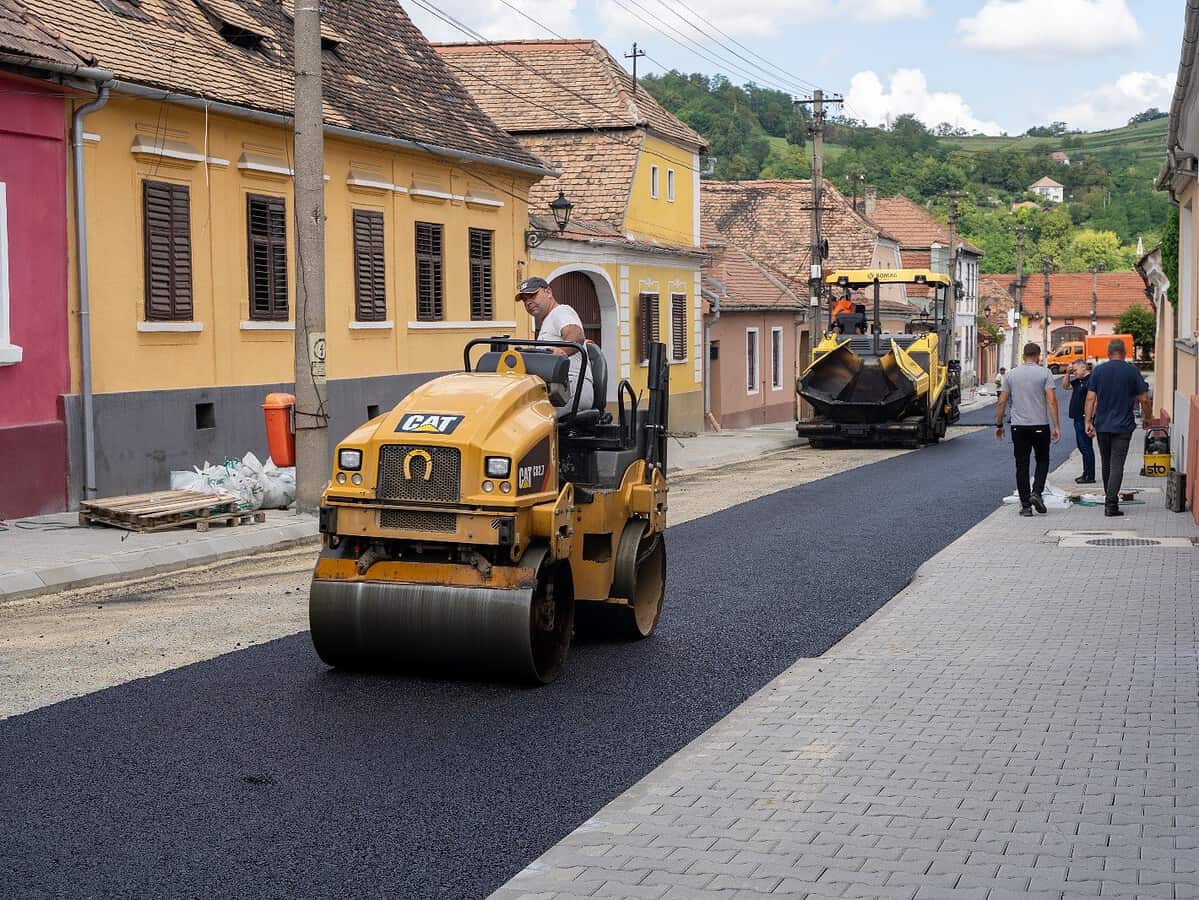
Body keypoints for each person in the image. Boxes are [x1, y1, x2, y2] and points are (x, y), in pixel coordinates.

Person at [1085, 338, 1152, 517]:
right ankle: (1111, 503)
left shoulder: (1098, 371)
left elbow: (1091, 398)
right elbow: (1144, 398)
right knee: (1117, 465)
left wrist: (1088, 422)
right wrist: (1148, 418)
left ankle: (1109, 497)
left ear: (1108, 353)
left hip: (1102, 425)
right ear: (1124, 353)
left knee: (1106, 462)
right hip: (1123, 426)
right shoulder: (1132, 371)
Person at [995, 342, 1061, 517]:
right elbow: (1052, 401)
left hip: (1019, 427)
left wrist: (999, 424)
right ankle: (1037, 492)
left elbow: (1002, 402)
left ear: (1023, 356)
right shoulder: (1045, 373)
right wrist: (1056, 426)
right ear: (1038, 356)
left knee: (1021, 465)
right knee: (1042, 459)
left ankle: (1025, 506)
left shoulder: (1010, 375)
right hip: (1040, 425)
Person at [516, 277, 594, 413]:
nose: (528, 302)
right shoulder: (547, 323)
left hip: (570, 387)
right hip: (555, 388)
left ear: (548, 292)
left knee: (529, 417)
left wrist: (561, 351)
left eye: (533, 295)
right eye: (524, 299)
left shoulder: (561, 311)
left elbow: (576, 334)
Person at [1062, 360, 1096, 484]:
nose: (1074, 372)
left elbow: (1094, 401)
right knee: (1082, 447)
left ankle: (1090, 475)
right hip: (1077, 418)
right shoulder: (1078, 381)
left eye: (1075, 370)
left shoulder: (1090, 380)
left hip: (1084, 418)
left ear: (1083, 367)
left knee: (1086, 447)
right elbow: (1065, 386)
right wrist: (1067, 373)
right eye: (1073, 371)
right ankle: (1086, 473)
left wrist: (1090, 419)